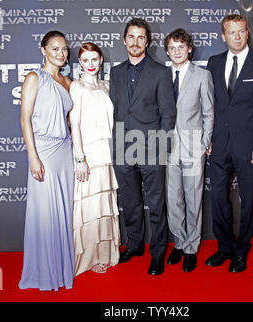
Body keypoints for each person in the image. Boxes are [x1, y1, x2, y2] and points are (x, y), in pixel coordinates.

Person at [205, 14, 253, 272]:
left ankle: (241, 251)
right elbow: (208, 106)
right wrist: (206, 138)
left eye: (242, 31)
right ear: (223, 36)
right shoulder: (213, 63)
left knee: (248, 200)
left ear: (247, 33)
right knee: (219, 200)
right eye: (232, 32)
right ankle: (224, 247)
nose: (237, 36)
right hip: (218, 144)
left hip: (250, 146)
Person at [109, 18, 176, 275]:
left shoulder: (160, 72)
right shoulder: (116, 72)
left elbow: (168, 115)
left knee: (156, 203)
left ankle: (157, 253)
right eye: (131, 37)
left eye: (140, 37)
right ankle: (135, 245)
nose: (135, 42)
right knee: (130, 201)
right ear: (124, 40)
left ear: (147, 42)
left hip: (151, 148)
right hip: (122, 148)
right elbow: (115, 110)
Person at [19, 30, 74, 290]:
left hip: (65, 152)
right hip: (43, 152)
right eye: (54, 48)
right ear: (43, 50)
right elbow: (24, 119)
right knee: (46, 213)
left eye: (63, 49)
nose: (60, 53)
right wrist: (33, 156)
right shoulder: (34, 78)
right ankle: (45, 271)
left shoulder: (67, 82)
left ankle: (63, 267)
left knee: (63, 212)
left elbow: (71, 122)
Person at [164, 28, 214, 273]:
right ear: (167, 51)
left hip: (194, 146)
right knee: (174, 199)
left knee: (193, 199)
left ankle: (192, 248)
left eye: (181, 47)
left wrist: (205, 142)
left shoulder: (202, 76)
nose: (176, 51)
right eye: (172, 48)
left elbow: (208, 112)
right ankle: (180, 243)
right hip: (168, 148)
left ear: (190, 48)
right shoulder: (163, 75)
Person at [69, 43, 120, 275]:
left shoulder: (107, 85)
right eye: (85, 60)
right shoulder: (76, 87)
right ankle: (88, 258)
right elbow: (75, 124)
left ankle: (104, 254)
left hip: (107, 153)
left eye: (94, 60)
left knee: (104, 207)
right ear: (80, 63)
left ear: (101, 61)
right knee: (90, 206)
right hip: (88, 154)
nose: (90, 65)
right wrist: (80, 158)